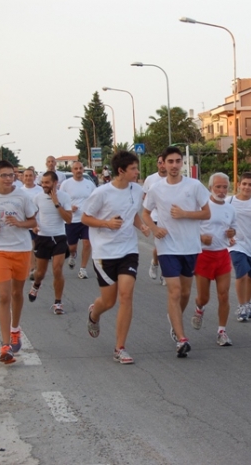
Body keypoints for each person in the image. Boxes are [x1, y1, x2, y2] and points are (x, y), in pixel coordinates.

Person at [82, 151, 150, 364]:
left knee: (126, 295)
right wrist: (106, 224)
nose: (137, 172)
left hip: (128, 250)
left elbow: (133, 214)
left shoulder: (137, 190)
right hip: (105, 252)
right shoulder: (101, 193)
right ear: (121, 171)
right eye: (133, 169)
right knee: (109, 301)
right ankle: (95, 313)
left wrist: (142, 226)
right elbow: (85, 218)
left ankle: (120, 348)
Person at [142, 146, 210, 358]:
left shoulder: (195, 186)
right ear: (163, 163)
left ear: (183, 163)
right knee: (174, 291)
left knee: (186, 292)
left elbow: (206, 213)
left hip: (190, 246)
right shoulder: (156, 189)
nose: (173, 165)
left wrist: (184, 214)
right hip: (167, 246)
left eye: (177, 161)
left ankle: (175, 321)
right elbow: (145, 212)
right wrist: (154, 229)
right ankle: (182, 339)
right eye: (169, 161)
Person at [0, 160, 38, 364]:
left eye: (11, 175)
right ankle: (5, 345)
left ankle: (15, 330)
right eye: (4, 175)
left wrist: (21, 223)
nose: (8, 179)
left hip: (21, 248)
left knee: (16, 293)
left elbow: (34, 221)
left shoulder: (23, 196)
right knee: (4, 296)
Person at [190, 172, 237, 346]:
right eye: (218, 186)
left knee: (224, 295)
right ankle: (199, 308)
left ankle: (222, 331)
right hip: (203, 255)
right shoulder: (202, 207)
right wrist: (202, 238)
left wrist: (233, 234)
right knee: (204, 297)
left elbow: (234, 230)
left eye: (225, 187)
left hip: (222, 254)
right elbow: (190, 229)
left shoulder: (230, 209)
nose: (222, 190)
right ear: (210, 188)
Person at [28, 171, 73, 315]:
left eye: (47, 182)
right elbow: (31, 216)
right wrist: (34, 226)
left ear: (55, 183)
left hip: (59, 237)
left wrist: (57, 204)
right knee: (40, 273)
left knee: (57, 270)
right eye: (42, 182)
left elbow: (69, 219)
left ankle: (58, 302)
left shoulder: (64, 197)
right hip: (43, 238)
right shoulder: (37, 198)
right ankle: (36, 285)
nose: (43, 185)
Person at [227, 172, 251, 322]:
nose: (247, 187)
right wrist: (227, 237)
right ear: (238, 185)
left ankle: (248, 303)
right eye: (244, 184)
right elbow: (221, 220)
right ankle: (241, 306)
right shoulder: (229, 202)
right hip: (236, 245)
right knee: (242, 275)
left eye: (250, 185)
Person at [59, 161, 96, 279]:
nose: (78, 170)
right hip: (71, 220)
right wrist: (69, 208)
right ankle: (73, 254)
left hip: (86, 219)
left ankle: (83, 269)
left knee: (87, 243)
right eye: (76, 168)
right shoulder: (66, 184)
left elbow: (96, 198)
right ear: (72, 170)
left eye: (80, 168)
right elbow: (60, 201)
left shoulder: (89, 184)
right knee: (72, 247)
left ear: (83, 169)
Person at [143, 154, 167, 285]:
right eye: (160, 163)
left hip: (170, 218)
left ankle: (165, 274)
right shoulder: (151, 179)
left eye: (164, 162)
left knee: (168, 247)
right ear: (157, 164)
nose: (162, 165)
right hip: (155, 217)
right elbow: (145, 198)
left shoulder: (173, 179)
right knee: (160, 245)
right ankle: (155, 262)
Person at [20, 168, 42, 280]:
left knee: (39, 248)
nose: (28, 178)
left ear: (34, 177)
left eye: (30, 175)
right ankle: (33, 269)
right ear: (23, 178)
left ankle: (39, 267)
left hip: (40, 224)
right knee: (30, 246)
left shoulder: (40, 190)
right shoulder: (19, 191)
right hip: (27, 224)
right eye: (26, 176)